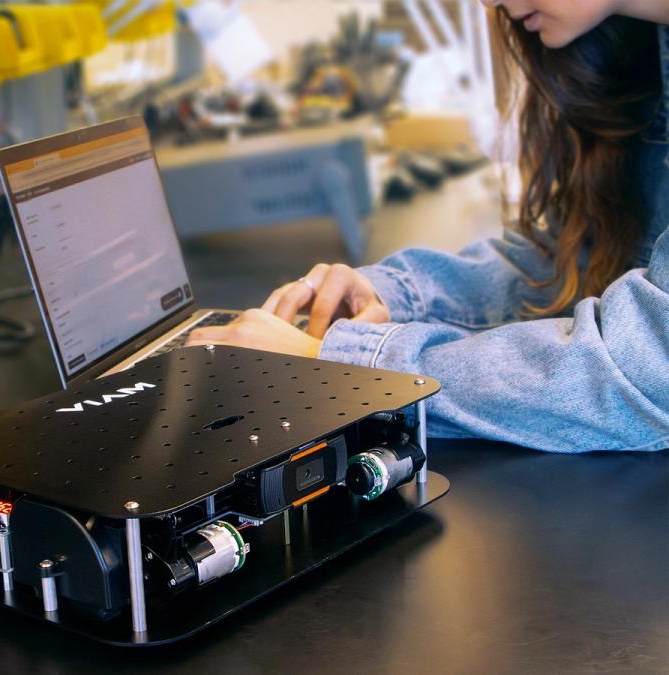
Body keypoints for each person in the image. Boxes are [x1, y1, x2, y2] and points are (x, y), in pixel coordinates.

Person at [188, 1, 669, 453]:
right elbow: (580, 259)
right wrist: (396, 292)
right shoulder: (636, 49)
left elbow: (641, 367)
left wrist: (348, 368)